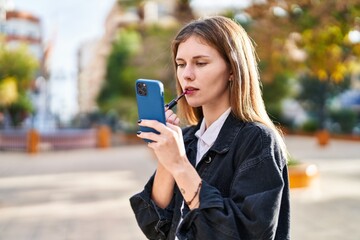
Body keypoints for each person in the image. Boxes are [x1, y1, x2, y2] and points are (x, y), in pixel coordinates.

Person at [130, 16, 290, 240]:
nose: (187, 74)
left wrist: (179, 164)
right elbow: (156, 227)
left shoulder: (258, 140)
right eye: (181, 64)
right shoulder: (186, 139)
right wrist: (167, 159)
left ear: (233, 69)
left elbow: (246, 234)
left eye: (201, 63)